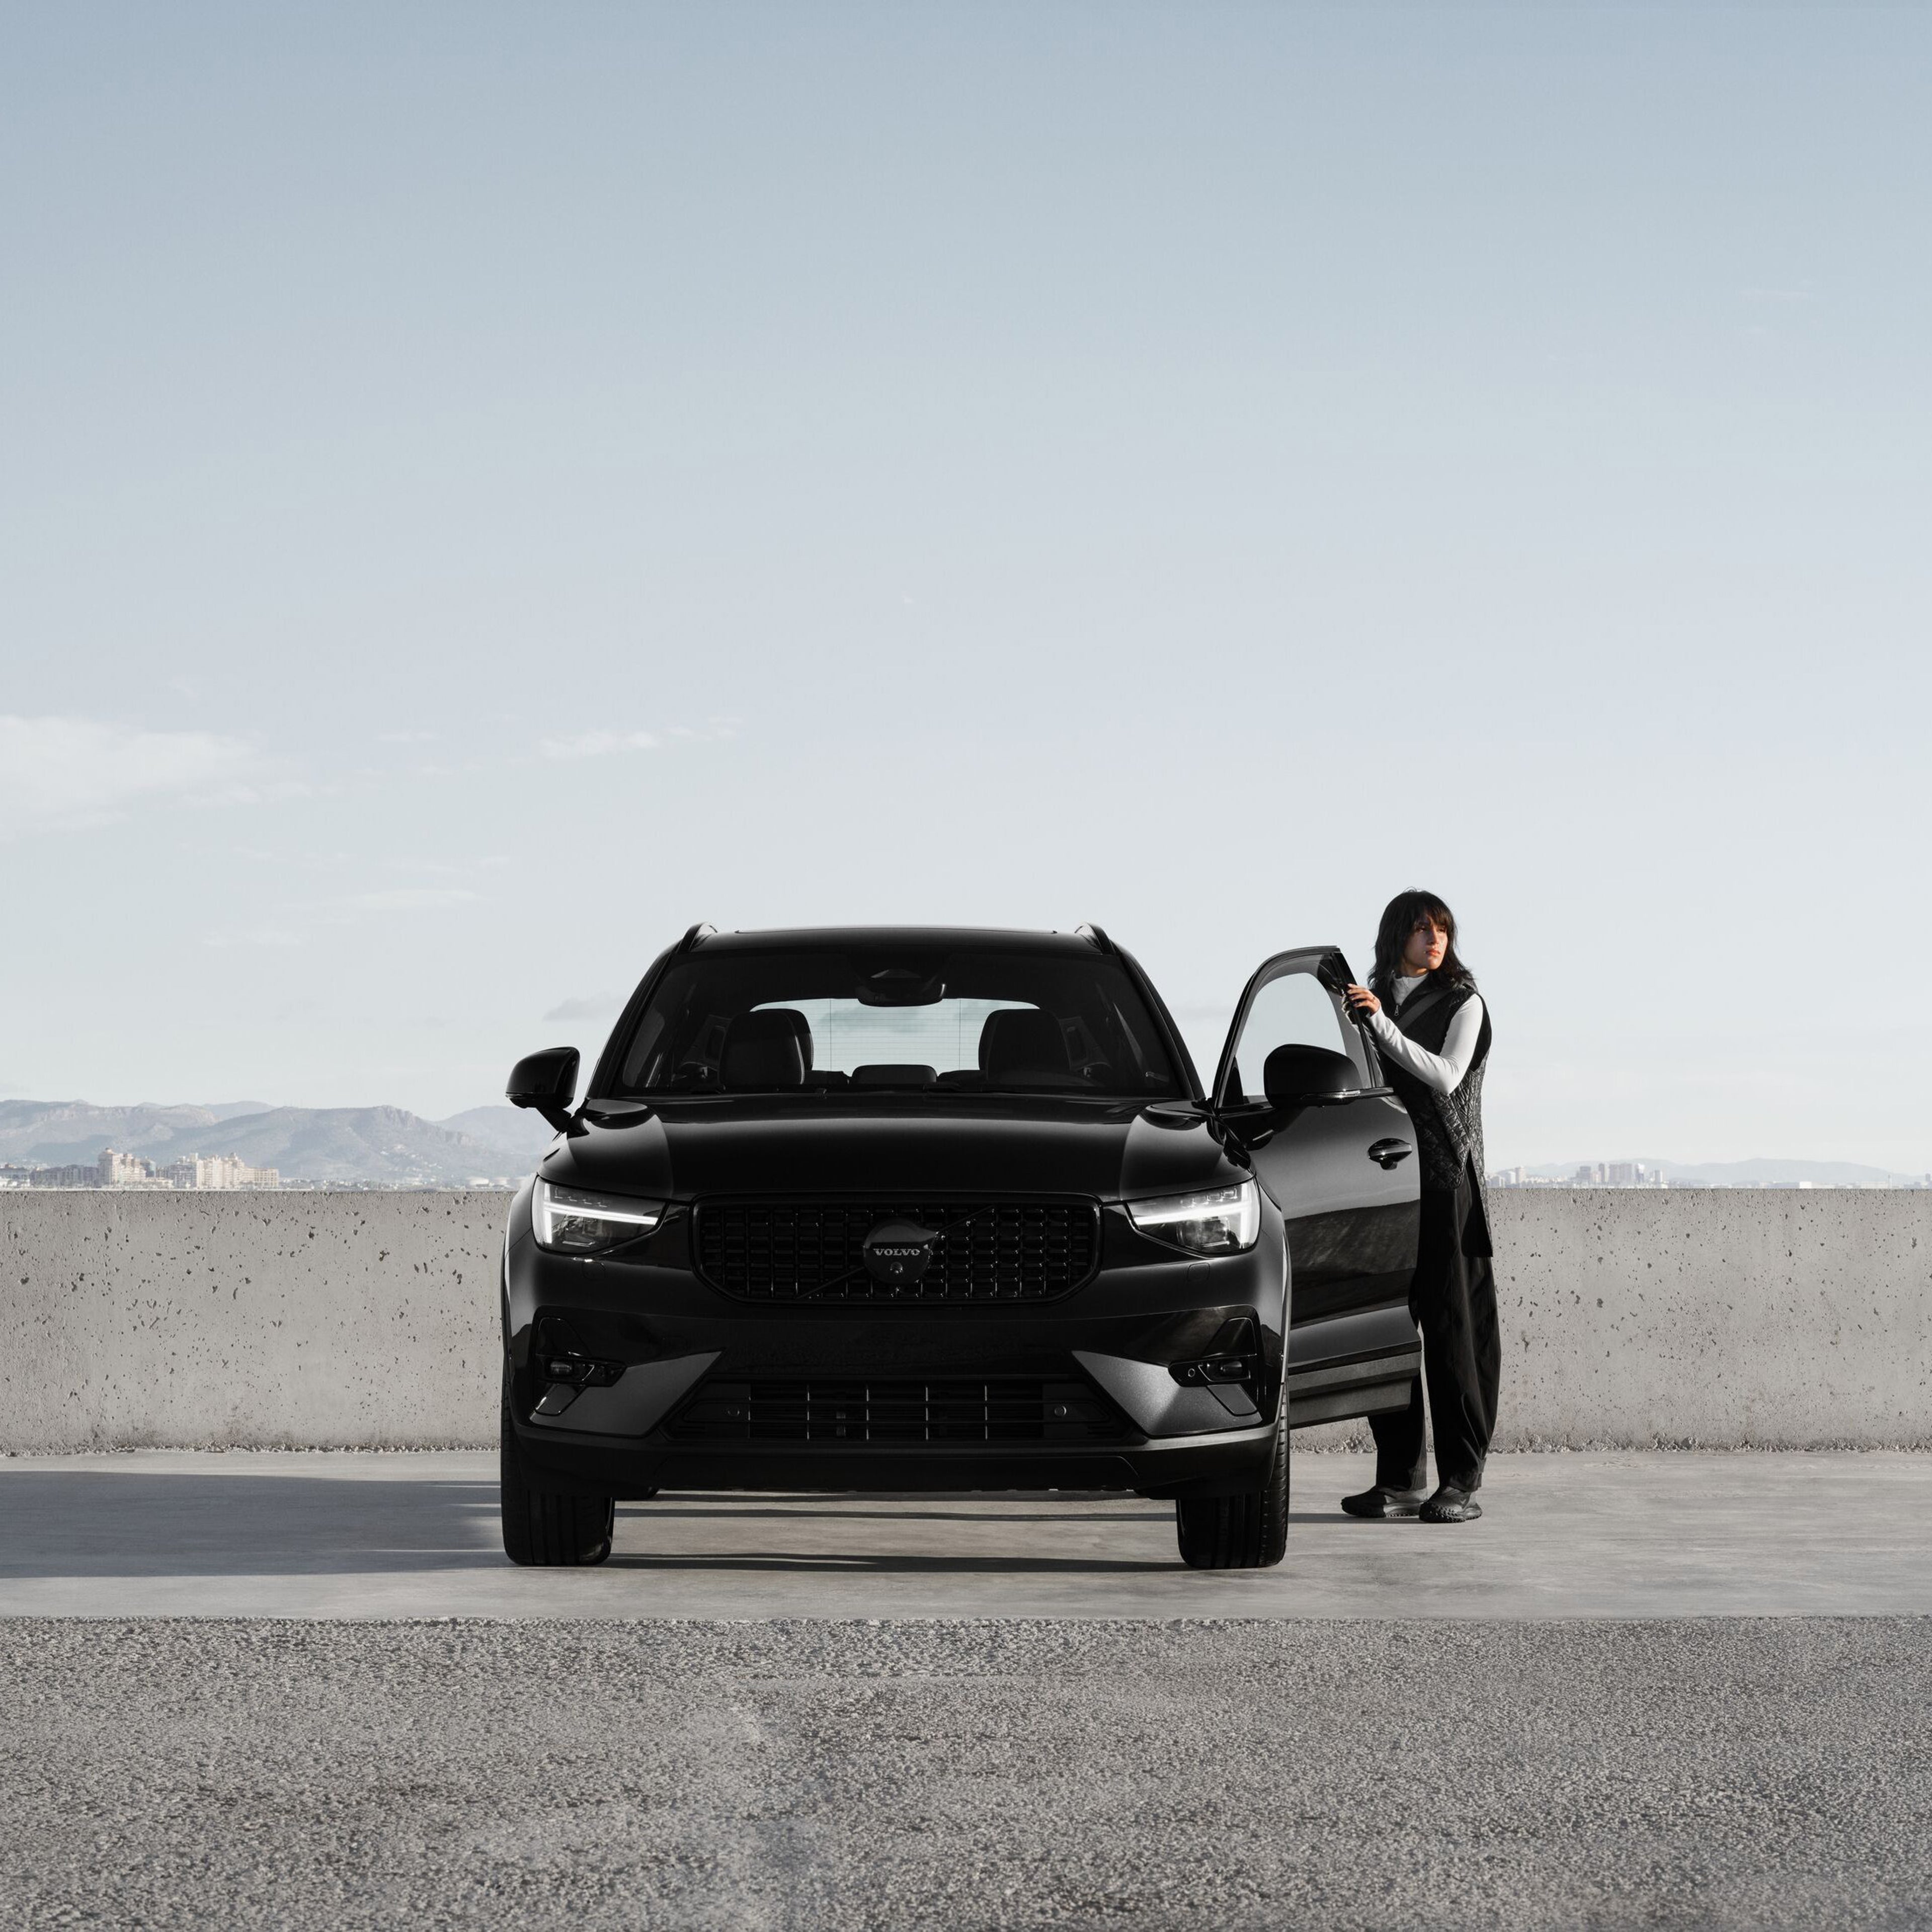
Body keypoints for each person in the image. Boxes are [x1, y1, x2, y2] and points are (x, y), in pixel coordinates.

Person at [1339, 890, 1498, 1524]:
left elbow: (1445, 1076)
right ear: (1396, 936)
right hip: (1386, 1183)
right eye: (1423, 928)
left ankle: (1462, 1479)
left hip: (1446, 1182)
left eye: (1443, 930)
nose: (1435, 939)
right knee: (1390, 1329)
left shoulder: (1466, 1003)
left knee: (1455, 1333)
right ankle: (1400, 1477)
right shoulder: (1365, 1001)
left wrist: (1380, 1024)